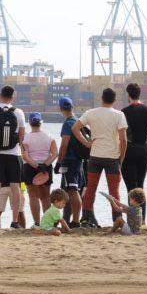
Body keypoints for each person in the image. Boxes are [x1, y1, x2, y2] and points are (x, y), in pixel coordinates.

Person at [76, 88, 129, 227]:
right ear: (114, 100)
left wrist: (86, 143)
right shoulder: (119, 115)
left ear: (102, 98)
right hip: (112, 158)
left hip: (95, 156)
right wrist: (122, 156)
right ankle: (117, 218)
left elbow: (75, 128)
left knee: (91, 188)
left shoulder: (91, 113)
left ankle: (85, 219)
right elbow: (123, 140)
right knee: (114, 191)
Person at [0, 86, 28, 229]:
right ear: (13, 97)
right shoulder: (19, 112)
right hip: (14, 155)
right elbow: (22, 137)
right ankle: (15, 221)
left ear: (0, 95)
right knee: (16, 188)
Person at [121, 83, 147, 220]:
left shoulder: (124, 112)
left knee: (131, 187)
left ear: (128, 95)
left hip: (129, 150)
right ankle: (142, 220)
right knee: (140, 186)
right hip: (144, 150)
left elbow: (122, 135)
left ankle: (132, 220)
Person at [20, 113, 58, 225]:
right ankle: (47, 223)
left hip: (30, 167)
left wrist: (36, 166)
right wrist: (44, 165)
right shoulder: (49, 136)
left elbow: (25, 156)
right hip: (46, 168)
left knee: (33, 197)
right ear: (41, 122)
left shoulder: (25, 138)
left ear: (30, 123)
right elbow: (55, 153)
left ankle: (36, 223)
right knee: (46, 197)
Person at [55, 97, 87, 226]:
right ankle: (66, 219)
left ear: (60, 109)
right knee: (70, 189)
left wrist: (58, 163)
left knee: (73, 191)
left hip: (69, 161)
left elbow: (64, 146)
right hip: (79, 161)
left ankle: (76, 221)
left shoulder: (68, 124)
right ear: (72, 107)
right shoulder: (78, 122)